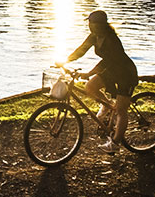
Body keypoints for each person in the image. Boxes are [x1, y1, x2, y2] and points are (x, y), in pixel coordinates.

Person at [58, 10, 138, 153]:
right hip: (113, 70)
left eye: (91, 23)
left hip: (125, 73)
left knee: (121, 109)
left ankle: (114, 144)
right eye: (89, 23)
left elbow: (109, 62)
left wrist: (89, 72)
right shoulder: (94, 36)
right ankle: (106, 106)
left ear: (99, 25)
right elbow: (81, 50)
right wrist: (65, 60)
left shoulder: (111, 40)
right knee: (90, 87)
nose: (89, 26)